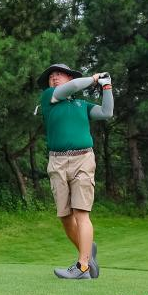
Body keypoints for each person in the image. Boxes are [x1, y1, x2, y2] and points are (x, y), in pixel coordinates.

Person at [36, 63, 113, 279]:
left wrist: (107, 87)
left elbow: (106, 112)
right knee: (65, 216)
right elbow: (74, 87)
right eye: (51, 75)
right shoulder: (49, 97)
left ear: (70, 77)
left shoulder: (82, 105)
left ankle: (83, 267)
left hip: (83, 159)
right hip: (57, 162)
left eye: (59, 74)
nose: (54, 78)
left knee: (81, 213)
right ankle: (87, 253)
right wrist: (95, 78)